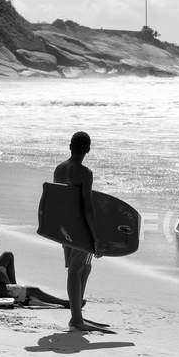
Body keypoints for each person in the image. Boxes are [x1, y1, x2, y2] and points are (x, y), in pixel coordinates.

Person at [53, 132, 107, 332]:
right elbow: (87, 208)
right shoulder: (85, 173)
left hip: (62, 227)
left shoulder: (59, 169)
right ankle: (76, 319)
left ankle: (77, 314)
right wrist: (96, 237)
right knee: (78, 269)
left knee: (82, 268)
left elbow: (59, 200)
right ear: (88, 149)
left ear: (70, 146)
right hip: (79, 228)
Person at [0, 227, 70, 307]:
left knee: (7, 255)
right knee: (34, 290)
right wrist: (10, 288)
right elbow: (0, 276)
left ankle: (15, 286)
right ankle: (64, 303)